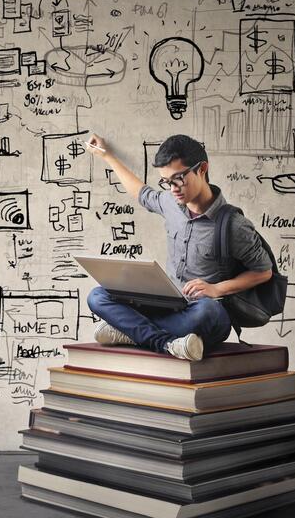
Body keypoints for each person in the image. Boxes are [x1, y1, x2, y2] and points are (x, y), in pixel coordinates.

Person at [84, 133, 273, 361]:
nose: (173, 188)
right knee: (98, 296)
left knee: (209, 313)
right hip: (165, 305)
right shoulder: (170, 203)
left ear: (202, 169)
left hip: (200, 311)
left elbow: (263, 271)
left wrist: (217, 289)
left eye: (178, 178)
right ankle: (167, 344)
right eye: (166, 181)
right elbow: (142, 193)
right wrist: (107, 155)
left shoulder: (234, 225)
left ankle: (129, 331)